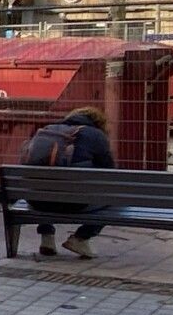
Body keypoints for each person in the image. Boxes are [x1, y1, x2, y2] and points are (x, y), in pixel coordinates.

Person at [25, 105, 115, 259]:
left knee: (44, 186)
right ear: (98, 122)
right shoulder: (96, 135)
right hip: (74, 204)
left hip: (37, 202)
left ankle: (47, 237)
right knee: (114, 197)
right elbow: (110, 173)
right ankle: (81, 238)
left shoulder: (47, 130)